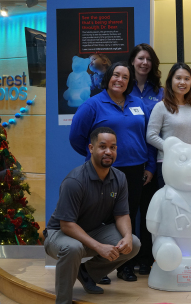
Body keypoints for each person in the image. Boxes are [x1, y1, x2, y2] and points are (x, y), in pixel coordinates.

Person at [69, 62, 156, 283]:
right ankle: (100, 267)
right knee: (104, 220)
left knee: (128, 217)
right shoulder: (93, 105)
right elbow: (76, 138)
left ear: (130, 82)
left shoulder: (137, 103)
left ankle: (124, 266)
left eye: (125, 77)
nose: (120, 80)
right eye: (116, 75)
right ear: (108, 78)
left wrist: (150, 166)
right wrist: (96, 160)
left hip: (135, 170)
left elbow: (148, 137)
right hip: (106, 172)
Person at [45, 127, 141, 304]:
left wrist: (127, 236)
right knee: (73, 248)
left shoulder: (119, 178)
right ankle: (63, 301)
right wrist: (98, 247)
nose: (108, 152)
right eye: (102, 146)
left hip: (92, 231)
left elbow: (122, 215)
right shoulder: (75, 181)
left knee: (133, 243)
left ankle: (87, 272)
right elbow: (66, 225)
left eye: (113, 147)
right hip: (59, 234)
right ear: (91, 148)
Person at [128, 43, 164, 275]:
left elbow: (158, 133)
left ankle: (146, 258)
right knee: (127, 214)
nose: (144, 63)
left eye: (149, 59)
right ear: (132, 61)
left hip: (151, 161)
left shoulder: (160, 92)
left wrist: (151, 166)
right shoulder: (122, 88)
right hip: (126, 163)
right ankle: (125, 261)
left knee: (150, 213)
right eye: (140, 58)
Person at [146, 62, 191, 180]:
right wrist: (176, 151)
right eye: (178, 78)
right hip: (169, 163)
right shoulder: (161, 107)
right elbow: (151, 135)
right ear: (170, 81)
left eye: (187, 79)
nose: (182, 82)